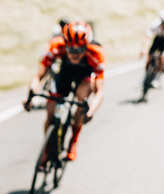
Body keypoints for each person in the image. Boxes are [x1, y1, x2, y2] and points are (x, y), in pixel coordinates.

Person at [24, 21, 105, 162]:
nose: (74, 54)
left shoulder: (96, 53)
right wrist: (30, 96)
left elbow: (100, 91)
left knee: (82, 99)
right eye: (70, 49)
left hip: (84, 77)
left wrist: (91, 111)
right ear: (65, 44)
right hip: (65, 74)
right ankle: (47, 149)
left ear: (87, 46)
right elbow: (39, 76)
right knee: (51, 110)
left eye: (79, 50)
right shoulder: (57, 46)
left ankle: (73, 141)